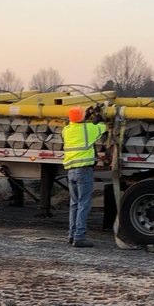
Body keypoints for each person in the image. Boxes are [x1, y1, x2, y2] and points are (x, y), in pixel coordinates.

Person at [62, 105, 107, 247]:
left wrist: (86, 117)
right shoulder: (89, 129)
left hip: (71, 172)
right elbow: (102, 127)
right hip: (84, 172)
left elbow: (77, 126)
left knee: (74, 204)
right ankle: (79, 238)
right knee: (84, 204)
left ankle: (71, 235)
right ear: (83, 118)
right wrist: (98, 117)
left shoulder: (66, 130)